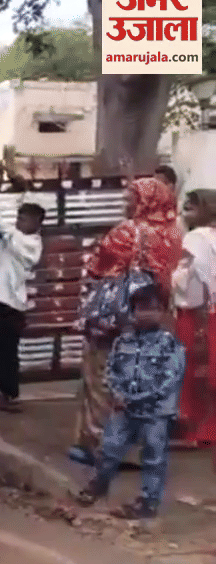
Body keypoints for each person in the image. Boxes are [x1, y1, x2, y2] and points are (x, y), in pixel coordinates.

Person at [69, 177, 184, 467]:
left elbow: (98, 268)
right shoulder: (175, 234)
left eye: (130, 199)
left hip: (116, 320)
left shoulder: (127, 231)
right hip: (156, 317)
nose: (126, 204)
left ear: (144, 201)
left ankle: (101, 446)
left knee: (103, 379)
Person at [72, 284, 185, 519]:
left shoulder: (171, 345)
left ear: (163, 312)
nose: (146, 314)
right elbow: (111, 371)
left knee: (153, 458)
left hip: (156, 412)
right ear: (133, 311)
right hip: (125, 409)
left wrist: (137, 398)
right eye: (141, 308)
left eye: (153, 308)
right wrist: (118, 394)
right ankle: (98, 486)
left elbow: (170, 379)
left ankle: (148, 503)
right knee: (108, 449)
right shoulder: (123, 342)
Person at [0, 201, 46, 413]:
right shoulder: (17, 239)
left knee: (6, 354)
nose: (19, 222)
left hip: (11, 306)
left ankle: (10, 395)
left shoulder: (30, 245)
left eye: (24, 219)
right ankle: (6, 393)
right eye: (18, 218)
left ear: (37, 223)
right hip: (1, 303)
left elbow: (1, 225)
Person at [172, 189, 216, 464]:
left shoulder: (196, 238)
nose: (186, 209)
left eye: (193, 205)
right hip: (207, 311)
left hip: (197, 312)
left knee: (193, 371)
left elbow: (194, 278)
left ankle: (197, 429)